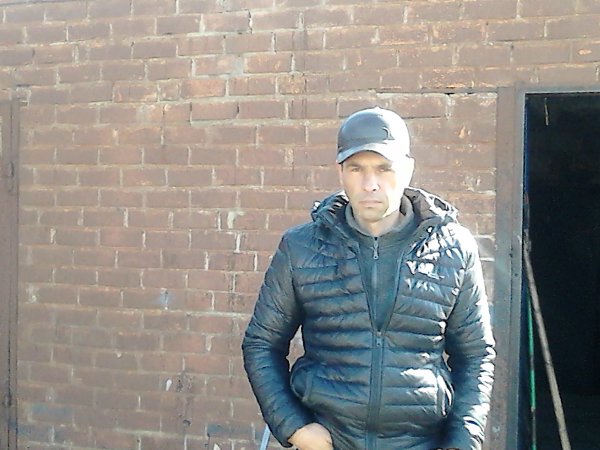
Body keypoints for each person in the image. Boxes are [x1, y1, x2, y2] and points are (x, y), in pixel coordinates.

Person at [242, 107, 496, 450]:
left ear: (407, 169)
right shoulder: (301, 248)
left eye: (384, 168)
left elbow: (476, 354)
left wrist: (462, 444)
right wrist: (295, 428)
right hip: (328, 441)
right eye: (356, 168)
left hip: (419, 442)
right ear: (340, 173)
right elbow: (262, 343)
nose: (370, 184)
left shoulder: (452, 249)